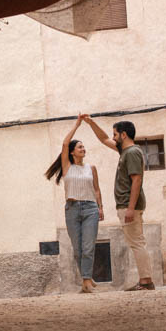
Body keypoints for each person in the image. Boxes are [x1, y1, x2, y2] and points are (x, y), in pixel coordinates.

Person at [84, 115, 154, 290]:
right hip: (126, 204)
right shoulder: (126, 151)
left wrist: (130, 208)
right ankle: (145, 280)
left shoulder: (131, 153)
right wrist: (91, 123)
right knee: (137, 241)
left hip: (129, 206)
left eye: (115, 134)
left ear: (123, 135)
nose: (113, 137)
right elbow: (103, 139)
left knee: (136, 242)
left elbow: (136, 180)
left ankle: (146, 281)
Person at [44, 114, 104, 293]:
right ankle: (86, 276)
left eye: (84, 146)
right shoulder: (67, 167)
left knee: (88, 246)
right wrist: (77, 125)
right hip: (72, 209)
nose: (83, 149)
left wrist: (100, 208)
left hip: (90, 209)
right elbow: (64, 143)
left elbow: (97, 189)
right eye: (80, 147)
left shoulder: (91, 168)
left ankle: (86, 281)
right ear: (72, 151)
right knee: (78, 249)